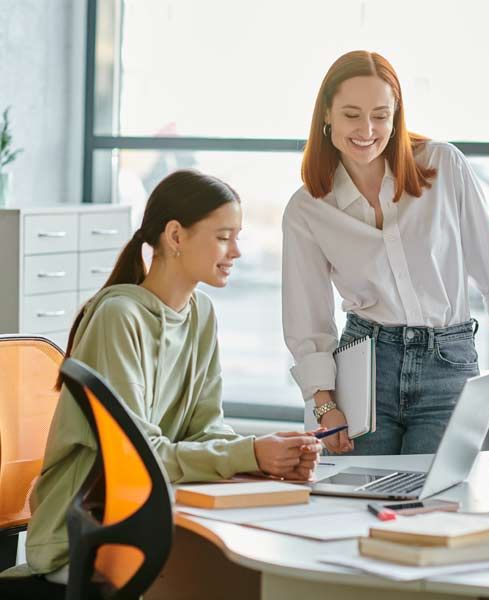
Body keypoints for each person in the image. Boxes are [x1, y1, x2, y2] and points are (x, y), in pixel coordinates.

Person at [3, 170, 321, 585]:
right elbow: (137, 458)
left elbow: (204, 429)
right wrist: (250, 455)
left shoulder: (201, 314)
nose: (237, 252)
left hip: (145, 509)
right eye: (224, 236)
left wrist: (268, 459)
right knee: (230, 578)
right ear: (175, 236)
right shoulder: (119, 318)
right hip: (81, 534)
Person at [282, 50, 489, 456]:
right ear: (327, 115)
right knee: (360, 501)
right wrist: (324, 404)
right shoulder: (308, 208)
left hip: (448, 364)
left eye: (380, 115)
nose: (367, 129)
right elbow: (308, 319)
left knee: (440, 503)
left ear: (395, 114)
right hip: (367, 368)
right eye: (352, 114)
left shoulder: (442, 165)